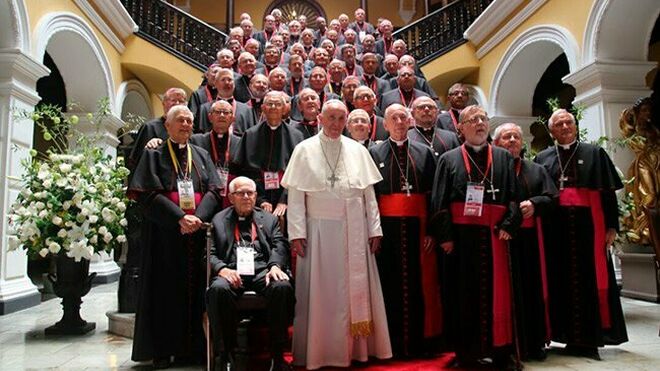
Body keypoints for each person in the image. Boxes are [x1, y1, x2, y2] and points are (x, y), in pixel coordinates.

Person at [282, 100, 392, 369]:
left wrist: (374, 228)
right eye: (330, 117)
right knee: (323, 294)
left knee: (354, 294)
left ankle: (357, 351)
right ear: (320, 117)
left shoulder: (357, 150)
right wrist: (296, 233)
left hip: (355, 229)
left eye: (340, 118)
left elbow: (369, 196)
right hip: (319, 231)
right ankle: (321, 351)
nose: (335, 123)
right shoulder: (304, 150)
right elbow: (295, 197)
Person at [128, 105, 221, 368]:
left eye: (189, 121)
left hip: (196, 234)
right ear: (166, 126)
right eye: (179, 120)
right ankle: (162, 350)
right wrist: (179, 218)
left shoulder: (201, 155)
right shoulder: (154, 155)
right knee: (163, 292)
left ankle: (191, 350)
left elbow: (214, 190)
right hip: (163, 235)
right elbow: (146, 194)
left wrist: (197, 219)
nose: (185, 125)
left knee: (194, 292)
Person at [430, 105, 521, 369]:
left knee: (499, 295)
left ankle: (501, 351)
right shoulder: (448, 159)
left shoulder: (503, 157)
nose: (480, 124)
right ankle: (466, 352)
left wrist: (510, 224)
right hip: (461, 239)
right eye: (473, 120)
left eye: (483, 119)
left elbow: (514, 196)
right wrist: (445, 237)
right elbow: (439, 201)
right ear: (461, 128)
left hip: (496, 237)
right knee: (463, 294)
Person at [534, 109, 628, 359]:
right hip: (556, 232)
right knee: (559, 281)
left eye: (568, 122)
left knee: (590, 280)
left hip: (589, 229)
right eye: (559, 124)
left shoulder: (595, 153)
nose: (565, 127)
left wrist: (611, 227)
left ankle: (589, 339)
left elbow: (607, 193)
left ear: (575, 126)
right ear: (552, 130)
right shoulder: (543, 158)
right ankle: (563, 336)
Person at [369, 104, 441, 357]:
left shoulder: (425, 152)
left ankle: (421, 342)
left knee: (420, 284)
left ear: (410, 121)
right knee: (389, 283)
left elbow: (434, 195)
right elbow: (370, 197)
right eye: (393, 118)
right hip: (386, 230)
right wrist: (373, 231)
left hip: (418, 227)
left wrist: (432, 230)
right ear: (385, 124)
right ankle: (392, 344)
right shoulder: (373, 152)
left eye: (403, 117)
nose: (399, 122)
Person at [206, 177, 295, 371]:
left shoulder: (269, 219)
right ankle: (226, 355)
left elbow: (279, 245)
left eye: (250, 193)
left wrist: (274, 266)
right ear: (231, 197)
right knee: (218, 289)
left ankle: (277, 356)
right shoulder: (219, 220)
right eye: (241, 193)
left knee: (281, 287)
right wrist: (222, 269)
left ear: (256, 196)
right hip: (231, 270)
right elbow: (209, 254)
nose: (246, 197)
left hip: (262, 269)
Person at [493, 122, 557, 361]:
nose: (512, 141)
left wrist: (535, 203)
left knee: (531, 289)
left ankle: (534, 342)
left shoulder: (536, 169)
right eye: (506, 137)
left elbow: (551, 197)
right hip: (500, 238)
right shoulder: (491, 169)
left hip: (529, 240)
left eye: (516, 137)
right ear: (496, 143)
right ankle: (505, 344)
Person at [235, 91, 304, 217]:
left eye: (277, 104)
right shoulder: (250, 135)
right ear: (263, 108)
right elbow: (244, 171)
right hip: (256, 195)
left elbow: (299, 173)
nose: (273, 107)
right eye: (269, 104)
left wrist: (284, 200)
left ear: (284, 109)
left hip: (287, 195)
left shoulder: (296, 136)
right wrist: (260, 199)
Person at [190, 100, 242, 209]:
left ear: (233, 118)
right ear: (210, 117)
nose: (222, 115)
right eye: (217, 112)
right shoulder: (196, 141)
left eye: (226, 112)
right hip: (205, 195)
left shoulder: (241, 142)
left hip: (231, 197)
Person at [128, 88, 186, 174]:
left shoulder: (187, 129)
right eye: (173, 100)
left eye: (181, 101)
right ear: (164, 103)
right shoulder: (150, 127)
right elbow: (137, 160)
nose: (177, 104)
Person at [408, 96, 460, 161]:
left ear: (437, 112)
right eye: (421, 107)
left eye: (430, 107)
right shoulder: (406, 137)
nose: (426, 109)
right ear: (412, 113)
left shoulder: (452, 137)